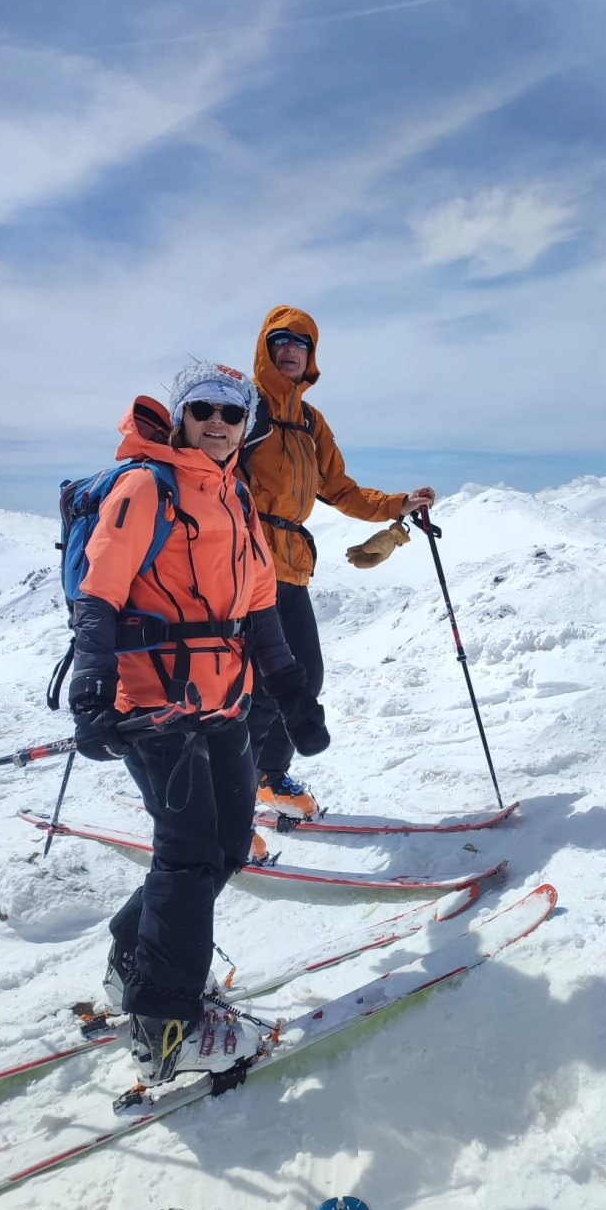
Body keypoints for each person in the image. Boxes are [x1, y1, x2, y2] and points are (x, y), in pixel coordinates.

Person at [68, 360, 329, 1085]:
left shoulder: (237, 496)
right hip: (154, 703)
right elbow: (99, 592)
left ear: (248, 425)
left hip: (222, 701)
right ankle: (165, 1022)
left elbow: (259, 612)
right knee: (186, 853)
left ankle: (137, 963)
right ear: (182, 416)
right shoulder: (145, 486)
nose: (217, 423)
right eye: (203, 410)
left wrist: (294, 695)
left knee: (224, 845)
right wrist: (92, 686)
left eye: (231, 413)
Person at [242, 305, 434, 817]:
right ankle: (231, 788)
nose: (290, 350)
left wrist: (398, 505)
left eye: (301, 344)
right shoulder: (245, 410)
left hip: (292, 565)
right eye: (281, 341)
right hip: (244, 564)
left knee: (303, 678)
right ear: (265, 348)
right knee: (253, 687)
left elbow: (340, 490)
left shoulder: (309, 422)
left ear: (311, 357)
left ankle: (267, 777)